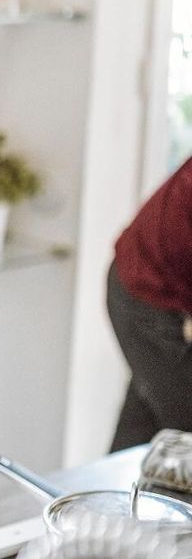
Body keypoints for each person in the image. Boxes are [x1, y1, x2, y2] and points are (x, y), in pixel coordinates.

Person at [107, 156, 192, 451]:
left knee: (145, 423)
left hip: (148, 280)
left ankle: (111, 495)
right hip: (145, 291)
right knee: (185, 431)